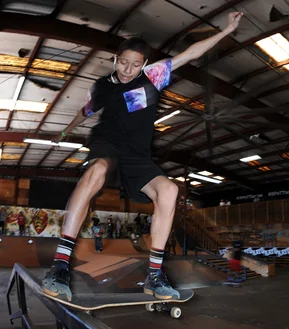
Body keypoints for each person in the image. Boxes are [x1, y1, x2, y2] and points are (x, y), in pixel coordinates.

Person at [41, 12, 244, 302]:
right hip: (107, 143)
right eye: (123, 62)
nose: (128, 70)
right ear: (115, 59)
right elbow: (83, 112)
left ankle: (155, 274)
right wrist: (63, 134)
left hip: (137, 154)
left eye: (135, 64)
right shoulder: (101, 87)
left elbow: (190, 53)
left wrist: (228, 30)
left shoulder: (153, 76)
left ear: (144, 65)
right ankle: (60, 265)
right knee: (96, 171)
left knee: (169, 190)